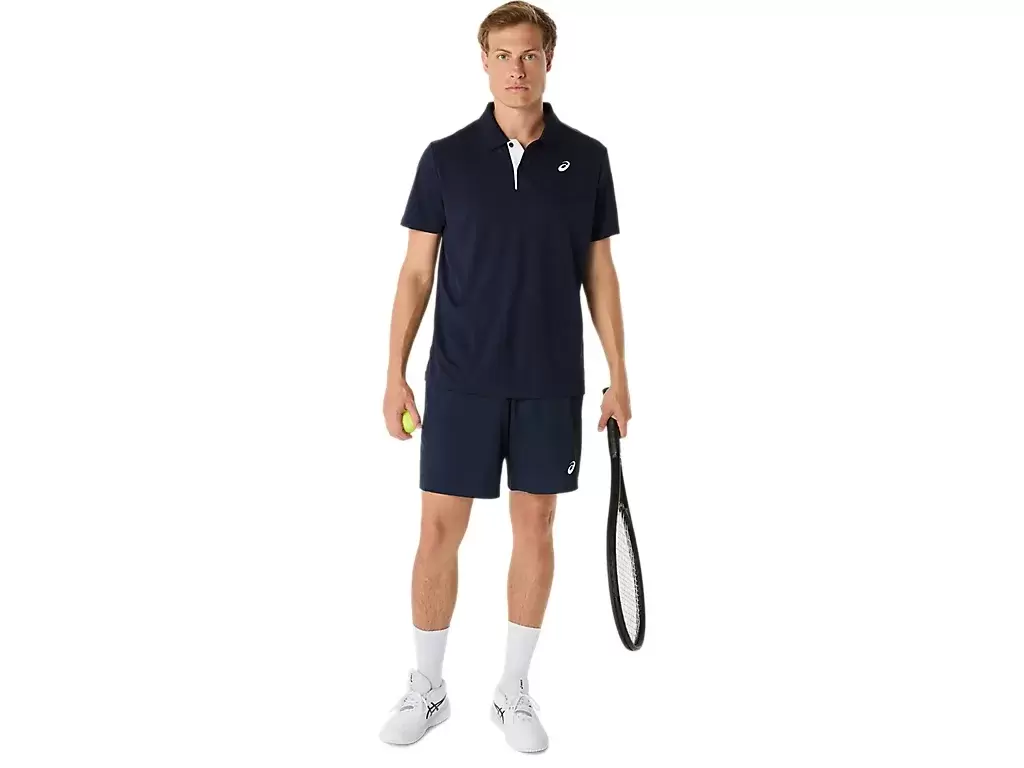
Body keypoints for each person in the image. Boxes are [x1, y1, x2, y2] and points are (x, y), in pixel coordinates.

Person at [379, 1, 631, 753]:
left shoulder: (588, 158)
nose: (516, 69)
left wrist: (619, 376)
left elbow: (600, 272)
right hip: (461, 379)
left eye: (529, 55)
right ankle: (428, 688)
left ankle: (513, 690)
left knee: (537, 525)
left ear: (549, 60)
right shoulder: (445, 158)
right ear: (483, 62)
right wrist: (394, 375)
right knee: (437, 530)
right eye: (502, 55)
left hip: (551, 380)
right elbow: (415, 273)